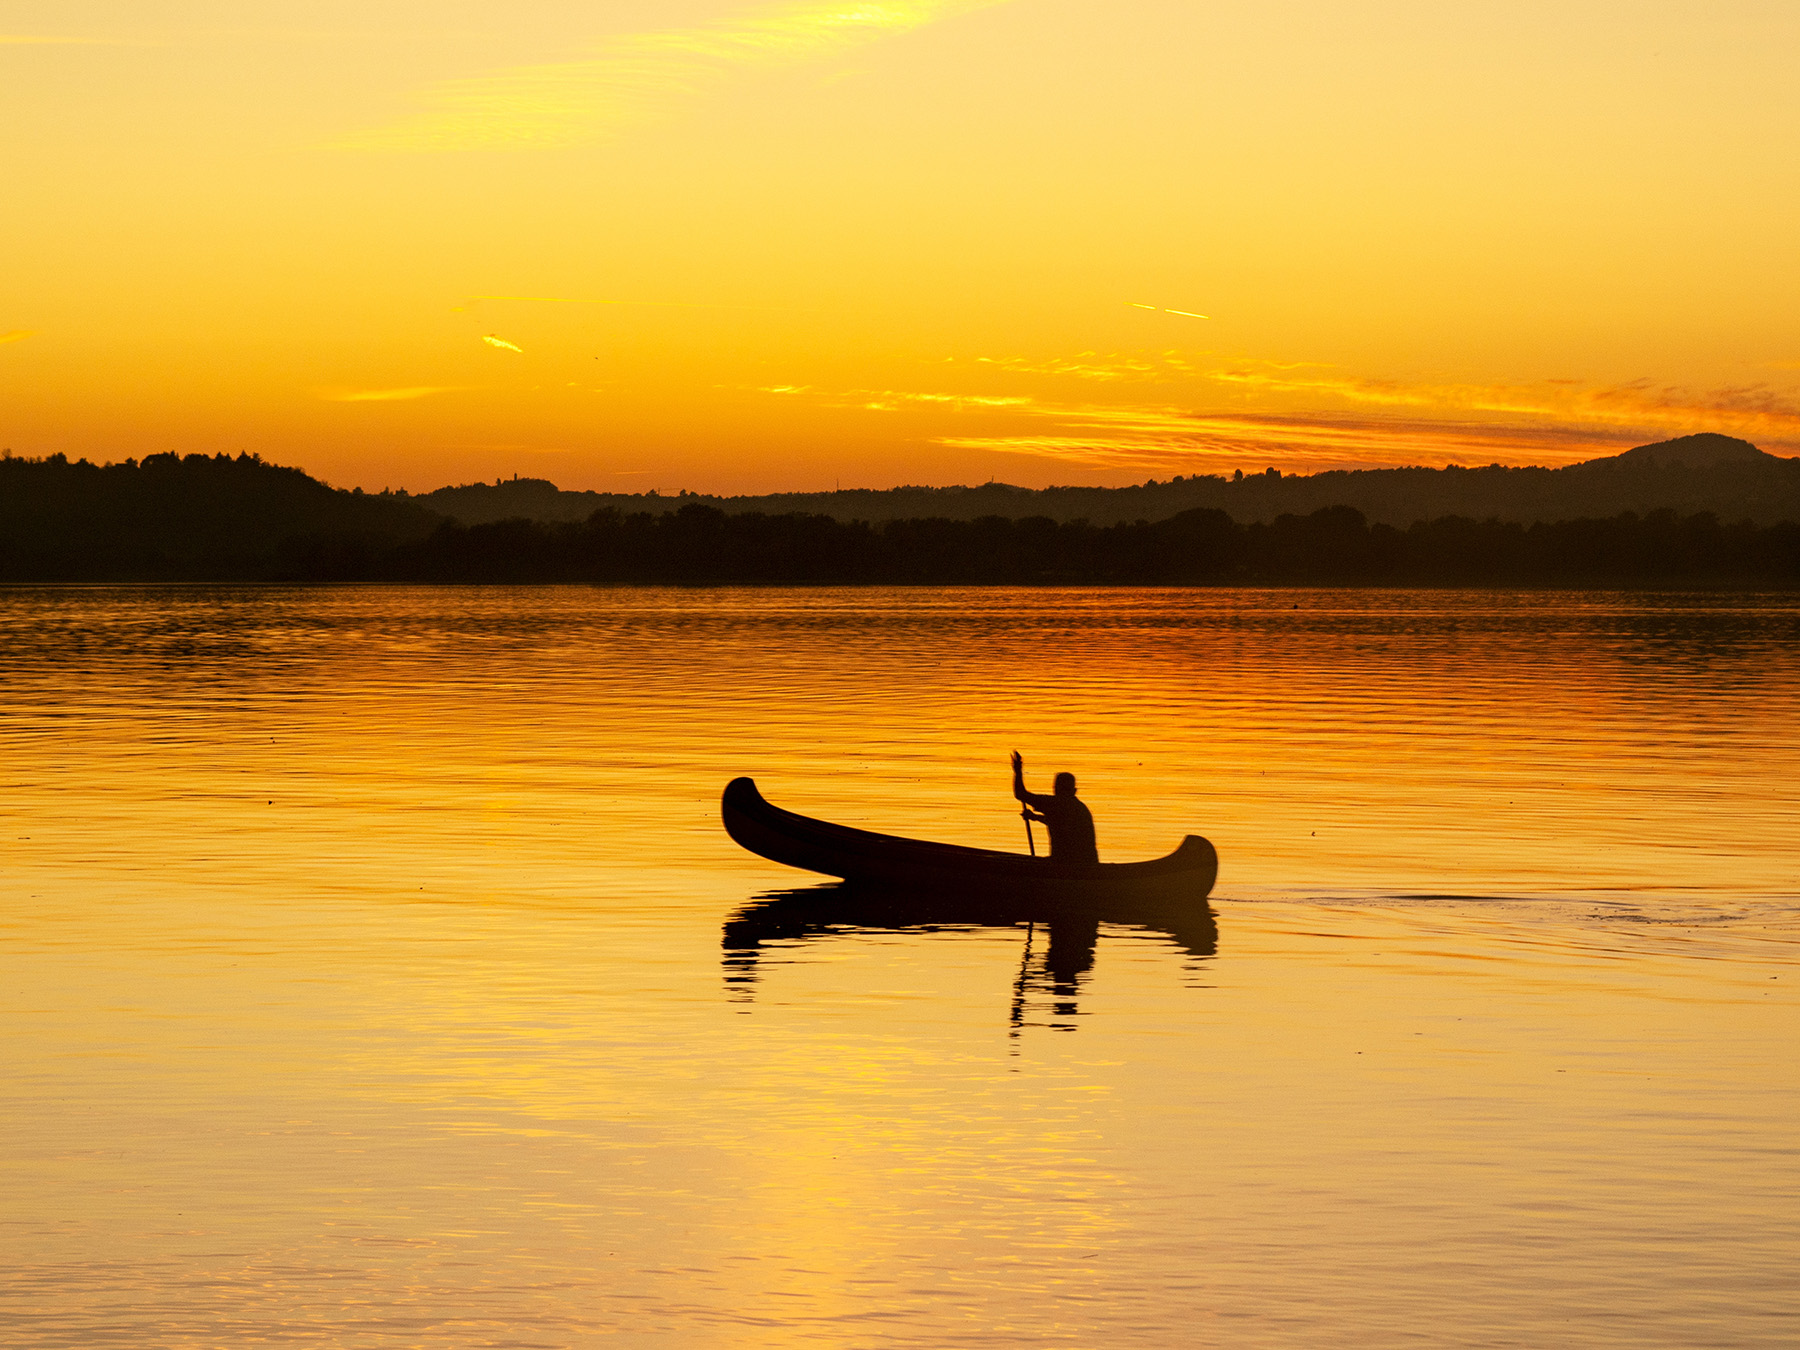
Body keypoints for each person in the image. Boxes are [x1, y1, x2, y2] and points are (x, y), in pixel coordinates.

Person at [1010, 750, 1098, 863]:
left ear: (1056, 789)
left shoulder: (1054, 803)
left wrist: (1018, 771)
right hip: (1089, 863)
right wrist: (1035, 817)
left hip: (1063, 864)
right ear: (1074, 791)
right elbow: (1061, 824)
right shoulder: (1080, 808)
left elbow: (1021, 794)